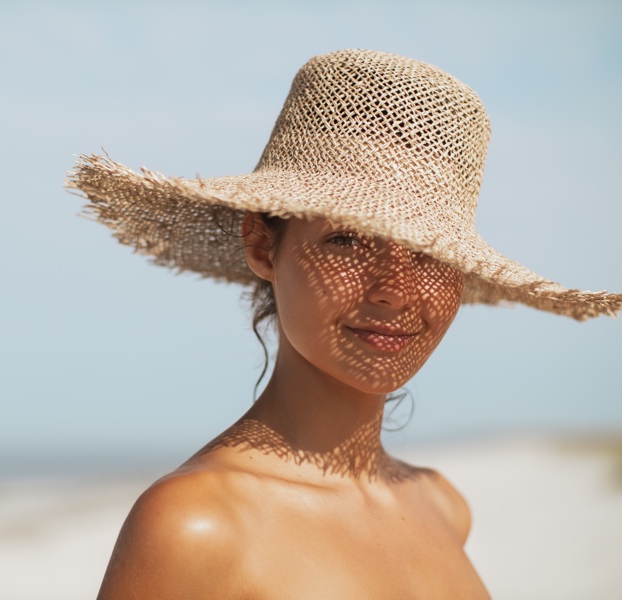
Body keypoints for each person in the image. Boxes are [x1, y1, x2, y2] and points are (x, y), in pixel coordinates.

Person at [67, 49, 621, 599]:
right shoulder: (196, 525)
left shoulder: (442, 505)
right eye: (347, 240)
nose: (395, 291)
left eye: (430, 254)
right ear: (262, 244)